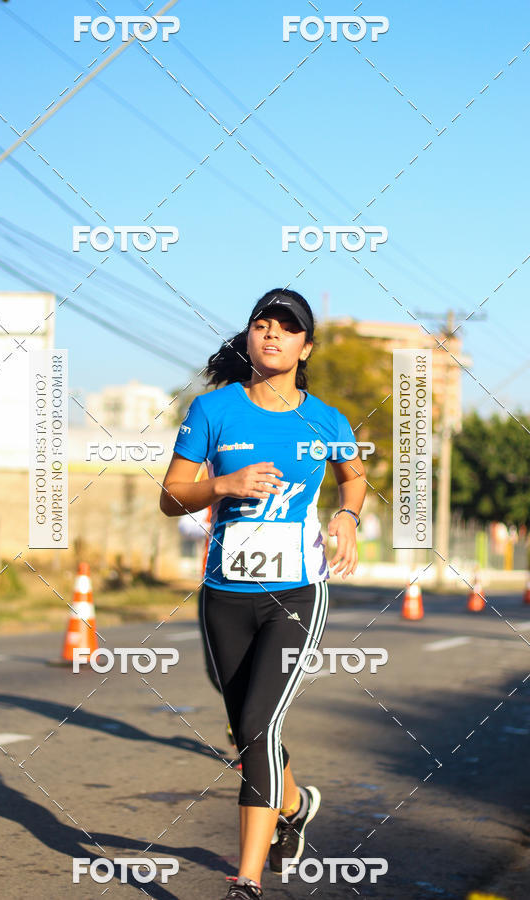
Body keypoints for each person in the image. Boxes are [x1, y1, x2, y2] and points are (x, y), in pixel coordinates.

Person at [160, 288, 366, 899]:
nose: (272, 334)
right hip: (224, 593)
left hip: (297, 593)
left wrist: (347, 517)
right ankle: (295, 804)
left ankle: (246, 882)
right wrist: (223, 482)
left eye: (287, 327)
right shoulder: (212, 410)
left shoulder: (326, 419)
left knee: (256, 725)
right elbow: (172, 496)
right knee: (247, 731)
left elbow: (353, 477)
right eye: (261, 324)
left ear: (306, 347)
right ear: (248, 338)